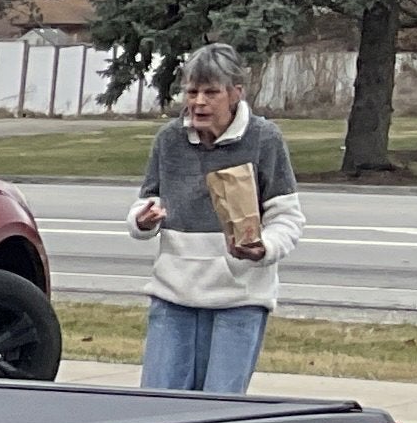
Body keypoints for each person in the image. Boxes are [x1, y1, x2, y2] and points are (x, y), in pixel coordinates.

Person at [129, 44, 305, 392]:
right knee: (158, 405)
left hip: (239, 300)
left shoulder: (263, 139)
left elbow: (287, 218)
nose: (198, 102)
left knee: (219, 408)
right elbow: (147, 202)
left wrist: (264, 247)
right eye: (191, 92)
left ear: (236, 93)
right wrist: (143, 220)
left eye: (211, 93)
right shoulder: (169, 139)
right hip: (173, 297)